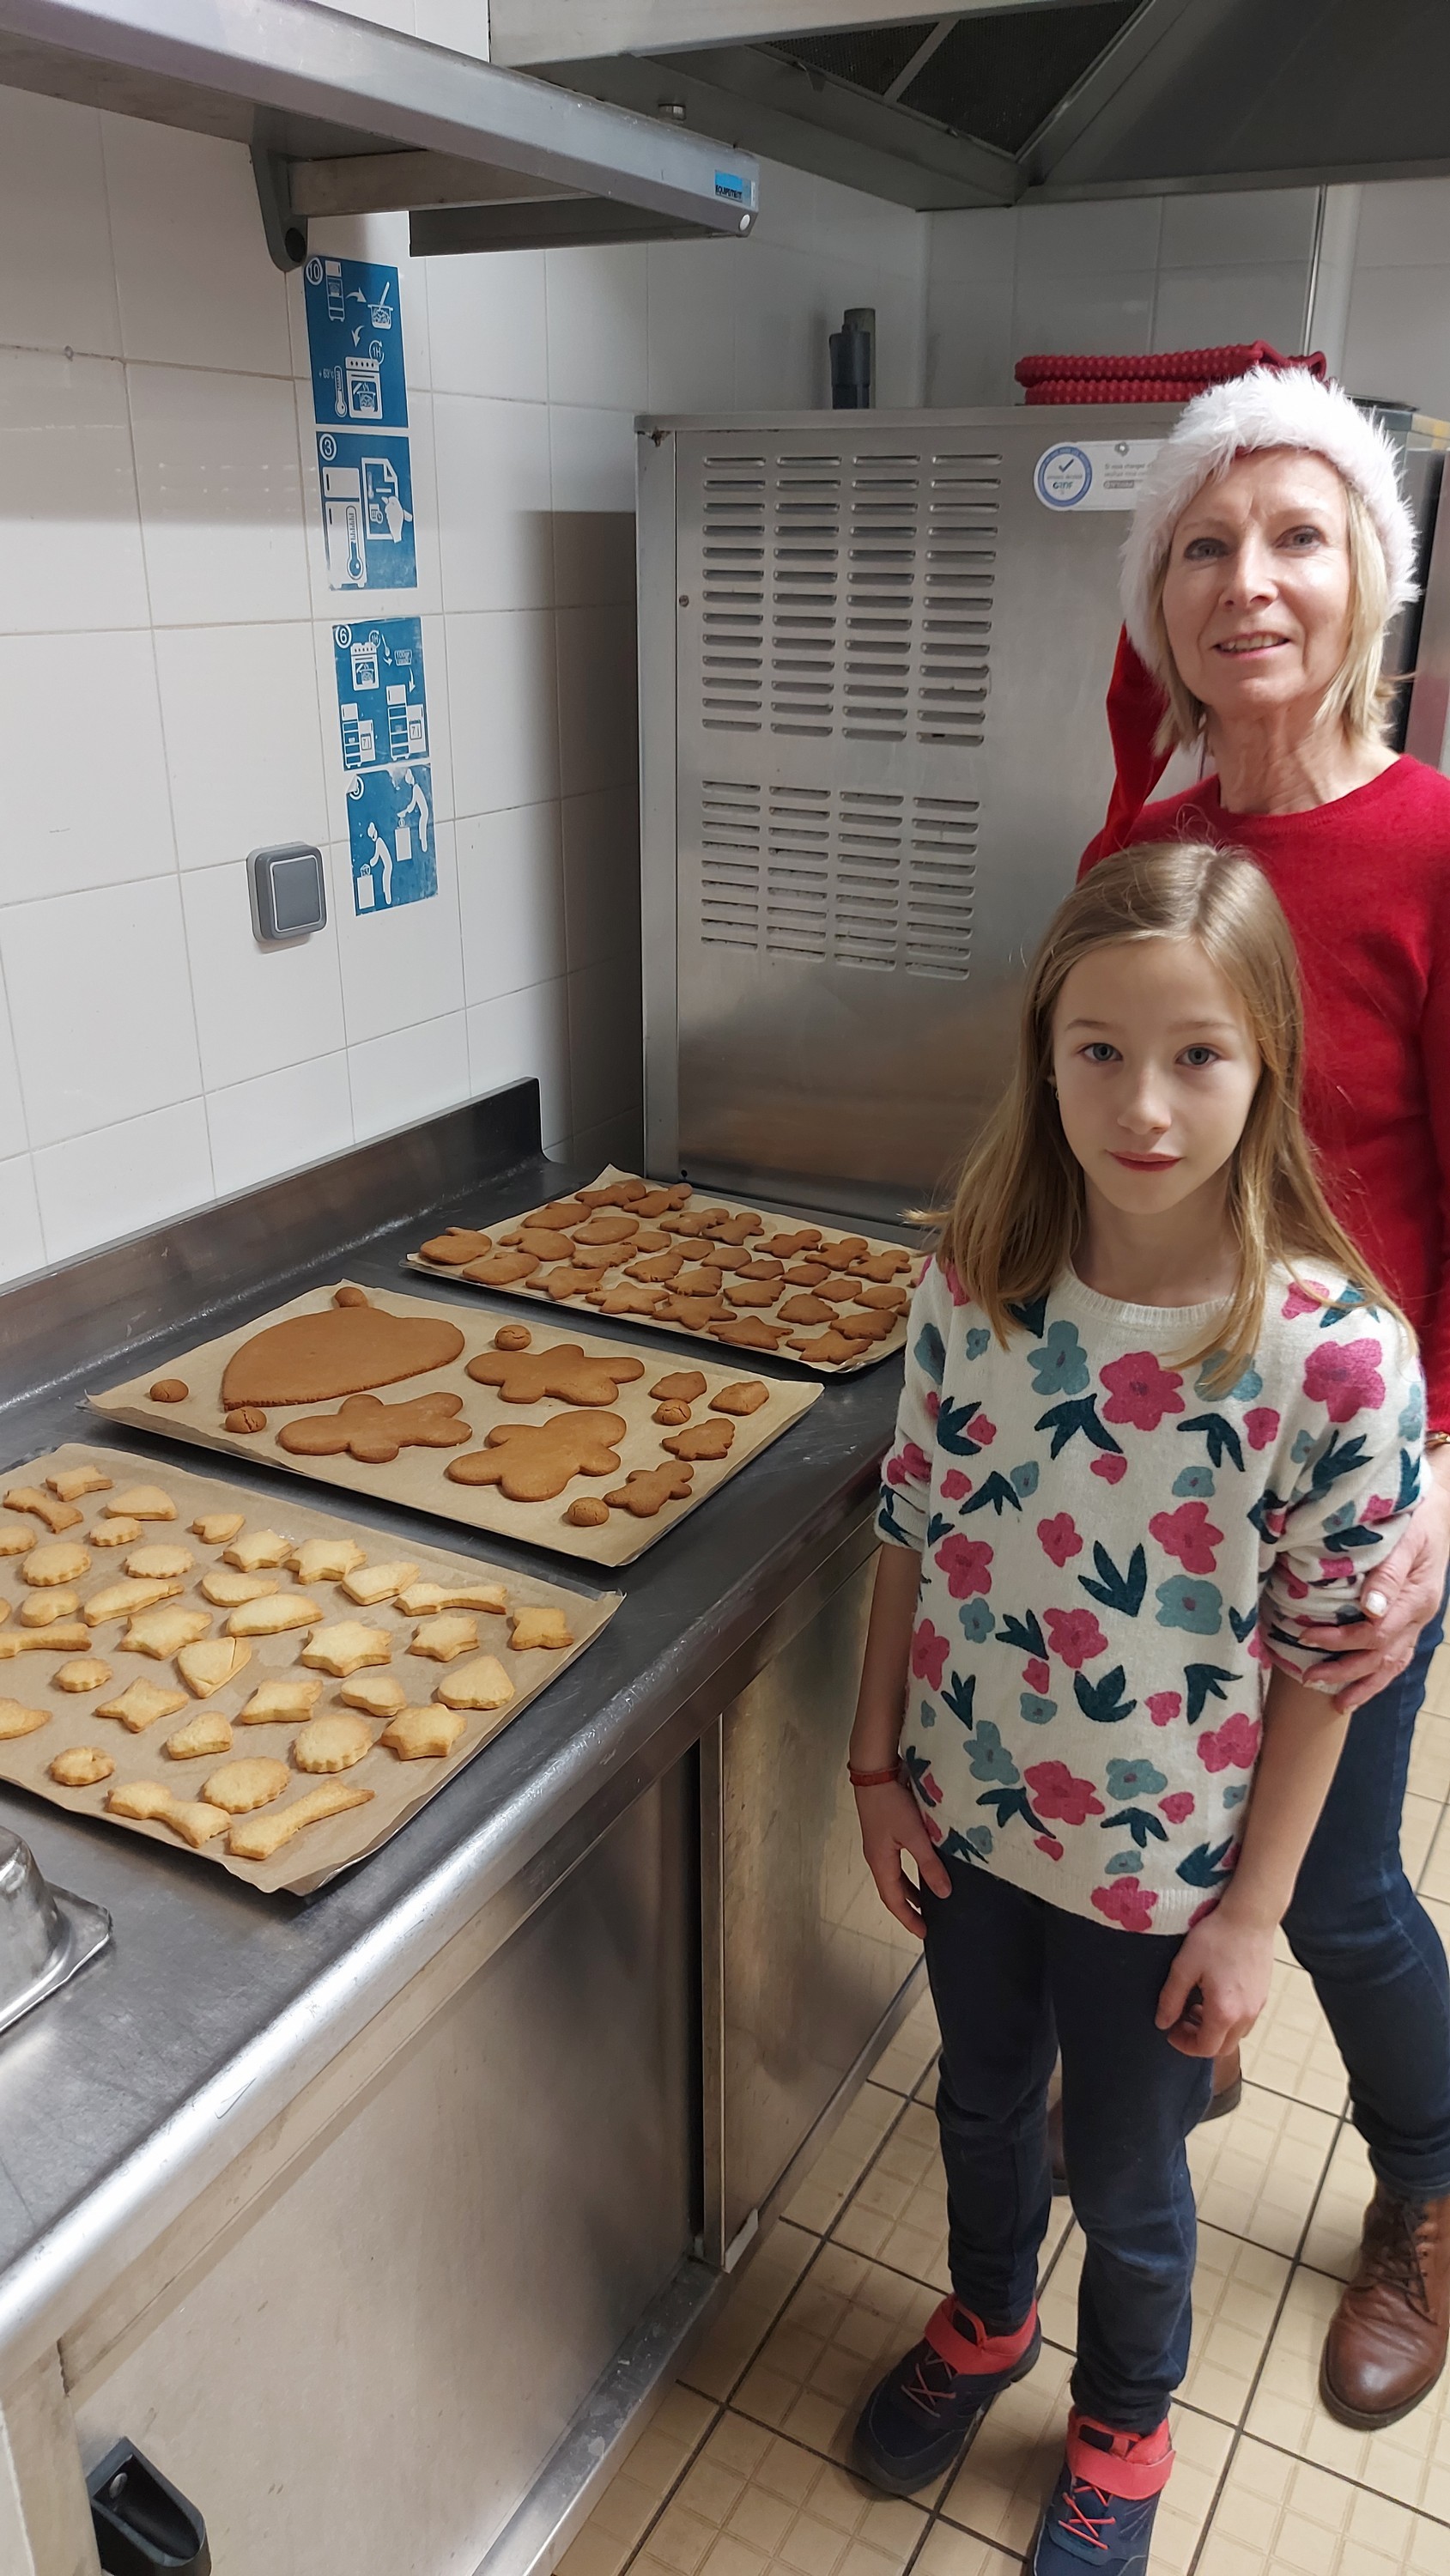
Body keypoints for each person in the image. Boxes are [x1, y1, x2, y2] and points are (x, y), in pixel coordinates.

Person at [846, 841, 1423, 2572]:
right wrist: (874, 1765)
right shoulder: (974, 1280)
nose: (1142, 1102)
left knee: (1132, 2164)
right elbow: (909, 1528)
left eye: (1194, 1055)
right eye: (1094, 1049)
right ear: (1039, 1054)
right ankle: (986, 2317)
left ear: (1266, 1066)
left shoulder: (1322, 1353)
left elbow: (1331, 1663)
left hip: (1159, 1866)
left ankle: (1119, 2420)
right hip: (965, 1812)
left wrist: (1252, 1917)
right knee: (975, 2099)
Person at [1079, 365, 1450, 2428]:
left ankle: (1426, 2180)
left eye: (1296, 537)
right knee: (1161, 1814)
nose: (1248, 583)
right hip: (1150, 1457)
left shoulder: (1429, 849)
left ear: (1367, 581)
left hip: (1359, 1480)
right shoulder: (1143, 836)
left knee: (1326, 1880)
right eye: (1201, 546)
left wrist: (1440, 1499)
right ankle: (1182, 2045)